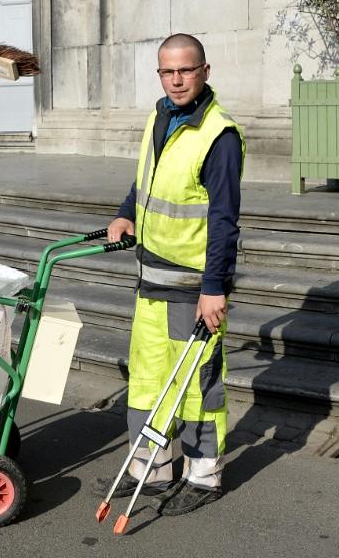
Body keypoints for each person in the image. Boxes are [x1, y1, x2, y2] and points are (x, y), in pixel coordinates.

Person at [105, 33, 244, 516]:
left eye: (186, 70)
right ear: (160, 75)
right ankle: (153, 467)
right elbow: (145, 179)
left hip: (190, 287)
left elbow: (225, 219)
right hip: (149, 280)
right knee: (147, 380)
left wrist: (214, 288)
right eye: (168, 71)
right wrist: (125, 212)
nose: (177, 80)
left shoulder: (219, 136)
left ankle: (203, 475)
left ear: (205, 71)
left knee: (197, 386)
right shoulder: (159, 115)